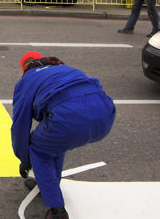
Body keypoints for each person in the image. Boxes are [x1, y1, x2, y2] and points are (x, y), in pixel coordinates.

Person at [12, 51, 116, 219]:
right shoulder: (64, 68)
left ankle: (57, 211)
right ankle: (47, 184)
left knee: (39, 150)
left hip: (69, 115)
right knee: (53, 143)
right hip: (105, 112)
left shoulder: (27, 79)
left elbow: (20, 125)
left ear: (24, 69)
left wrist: (24, 157)